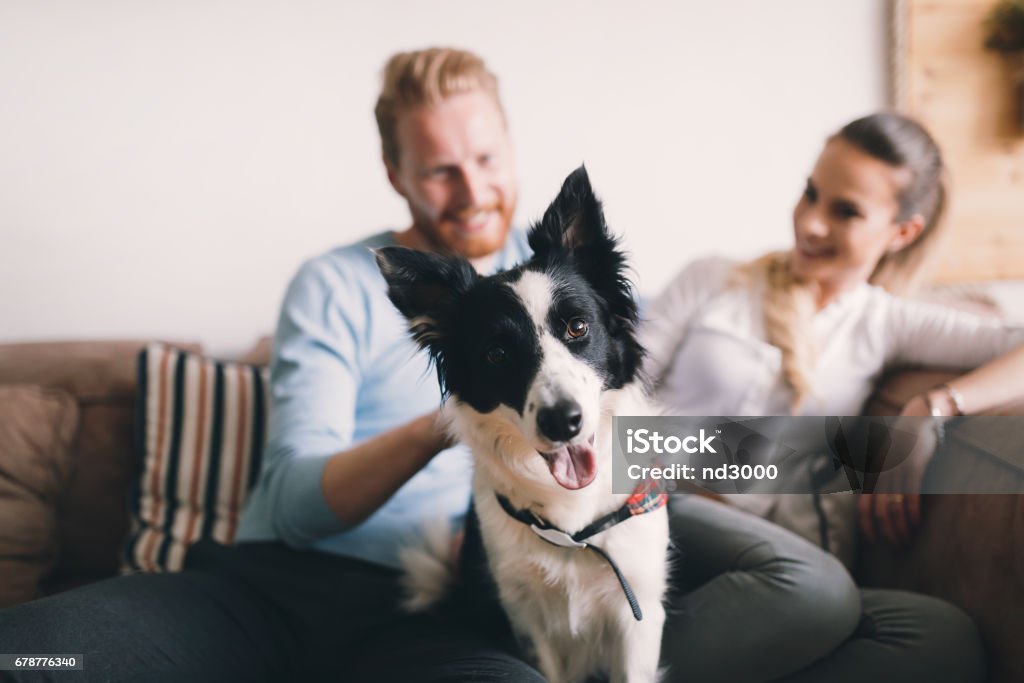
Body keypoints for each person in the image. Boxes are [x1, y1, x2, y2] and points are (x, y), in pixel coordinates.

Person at [0, 47, 541, 682]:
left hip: (440, 621)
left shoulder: (563, 285)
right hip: (266, 597)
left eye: (486, 159)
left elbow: (653, 428)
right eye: (440, 171)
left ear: (510, 145)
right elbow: (293, 505)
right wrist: (451, 421)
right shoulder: (336, 284)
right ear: (395, 172)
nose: (473, 191)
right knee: (28, 653)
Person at [643, 111, 1024, 682]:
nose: (811, 224)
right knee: (818, 591)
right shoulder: (713, 280)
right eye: (810, 194)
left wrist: (930, 409)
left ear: (902, 233)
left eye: (845, 211)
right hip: (653, 506)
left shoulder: (883, 324)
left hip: (759, 567)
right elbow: (611, 388)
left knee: (942, 636)